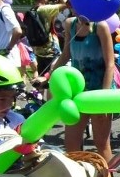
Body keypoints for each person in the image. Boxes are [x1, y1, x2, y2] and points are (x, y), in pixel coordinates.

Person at [47, 14, 115, 161]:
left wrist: (104, 96)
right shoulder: (70, 24)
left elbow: (110, 64)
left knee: (101, 144)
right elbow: (65, 55)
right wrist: (48, 77)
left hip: (99, 91)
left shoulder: (100, 26)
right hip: (77, 92)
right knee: (71, 144)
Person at [27, 0, 68, 78]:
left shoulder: (32, 10)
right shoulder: (45, 9)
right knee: (53, 79)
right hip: (51, 51)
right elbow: (68, 4)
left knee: (42, 80)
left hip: (39, 52)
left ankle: (39, 92)